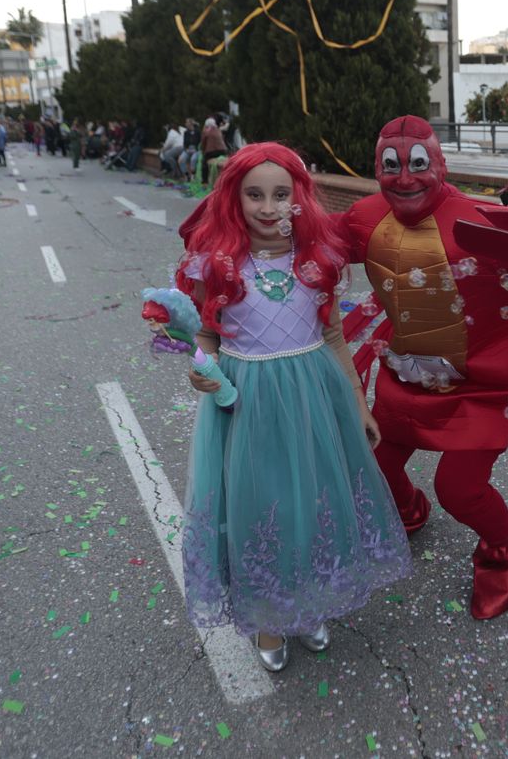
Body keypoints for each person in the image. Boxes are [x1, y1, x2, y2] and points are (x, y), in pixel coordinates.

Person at [336, 115, 508, 619]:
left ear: (438, 164)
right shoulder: (362, 217)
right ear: (377, 169)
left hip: (483, 383)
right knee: (373, 463)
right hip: (406, 376)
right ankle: (408, 512)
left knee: (459, 488)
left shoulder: (481, 223)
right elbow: (305, 246)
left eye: (417, 165)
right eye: (390, 167)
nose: (405, 179)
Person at [162, 143, 409, 672]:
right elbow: (206, 332)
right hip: (247, 404)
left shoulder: (316, 259)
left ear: (299, 198)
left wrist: (358, 403)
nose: (269, 207)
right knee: (261, 508)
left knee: (312, 503)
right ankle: (268, 617)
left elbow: (336, 338)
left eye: (281, 194)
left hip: (314, 399)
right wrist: (201, 367)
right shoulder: (218, 264)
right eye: (255, 195)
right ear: (234, 197)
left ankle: (309, 603)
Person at [200, 117, 228, 186]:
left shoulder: (206, 131)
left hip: (212, 151)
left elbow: (203, 143)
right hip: (223, 151)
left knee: (204, 164)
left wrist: (203, 152)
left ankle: (205, 182)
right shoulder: (218, 130)